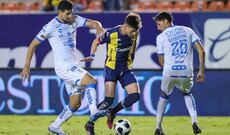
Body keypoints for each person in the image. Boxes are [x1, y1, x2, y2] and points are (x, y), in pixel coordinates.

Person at [19, 1, 104, 135]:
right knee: (91, 81)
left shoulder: (75, 19)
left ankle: (55, 126)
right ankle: (94, 112)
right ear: (59, 12)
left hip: (72, 65)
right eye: (67, 13)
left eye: (71, 13)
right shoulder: (50, 26)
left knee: (75, 104)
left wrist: (99, 29)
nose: (70, 16)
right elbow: (33, 45)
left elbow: (95, 23)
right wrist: (26, 66)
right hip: (63, 67)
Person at [81, 13, 142, 134]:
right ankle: (90, 123)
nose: (134, 33)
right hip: (111, 69)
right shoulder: (112, 34)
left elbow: (133, 47)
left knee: (135, 95)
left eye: (137, 31)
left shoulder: (135, 33)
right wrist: (92, 56)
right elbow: (96, 42)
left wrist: (132, 58)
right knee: (108, 101)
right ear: (125, 26)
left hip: (125, 69)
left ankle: (112, 112)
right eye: (133, 30)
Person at [153, 12, 205, 135]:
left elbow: (161, 61)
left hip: (170, 70)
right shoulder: (188, 30)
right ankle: (194, 122)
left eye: (159, 23)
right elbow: (201, 51)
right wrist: (201, 71)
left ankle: (158, 127)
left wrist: (168, 70)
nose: (157, 27)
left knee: (163, 96)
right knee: (187, 93)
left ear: (166, 21)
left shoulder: (161, 37)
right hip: (186, 70)